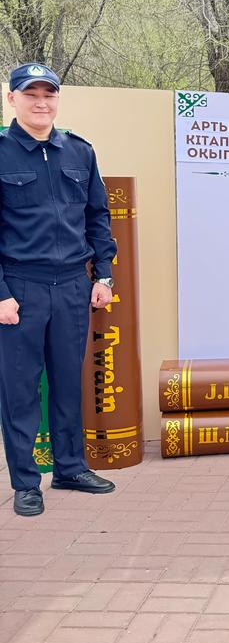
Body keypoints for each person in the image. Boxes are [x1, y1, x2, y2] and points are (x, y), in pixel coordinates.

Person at [0, 64, 117, 516]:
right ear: (12, 99)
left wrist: (102, 275)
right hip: (21, 288)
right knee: (20, 390)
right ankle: (26, 482)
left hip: (72, 286)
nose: (41, 102)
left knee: (68, 383)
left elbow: (97, 216)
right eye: (30, 94)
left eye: (48, 94)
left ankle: (70, 468)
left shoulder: (80, 151)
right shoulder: (2, 153)